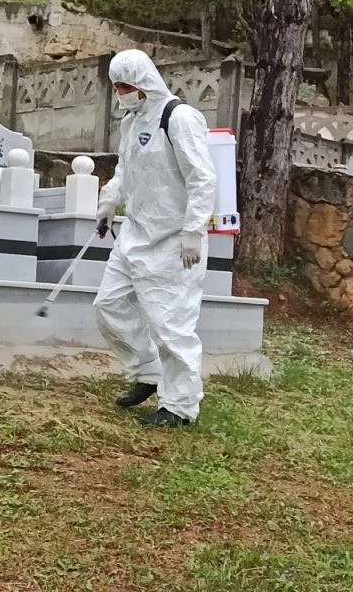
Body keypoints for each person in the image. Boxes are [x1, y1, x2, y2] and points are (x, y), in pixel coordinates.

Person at [93, 49, 217, 427]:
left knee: (171, 326)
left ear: (143, 82)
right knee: (109, 305)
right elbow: (125, 168)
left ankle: (179, 406)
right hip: (135, 233)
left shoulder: (179, 118)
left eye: (125, 86)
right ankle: (147, 371)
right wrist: (109, 201)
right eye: (116, 87)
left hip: (174, 241)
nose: (121, 94)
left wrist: (194, 230)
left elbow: (202, 178)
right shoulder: (131, 122)